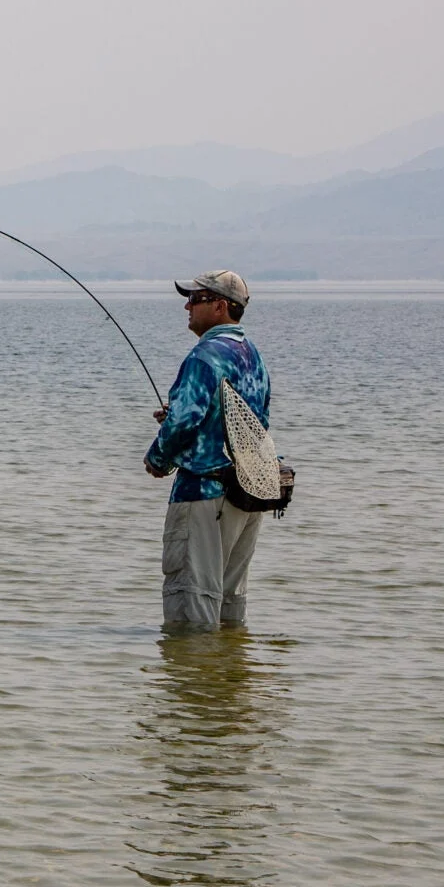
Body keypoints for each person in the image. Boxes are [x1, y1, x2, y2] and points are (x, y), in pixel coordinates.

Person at [145, 269, 269, 631]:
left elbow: (184, 423)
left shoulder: (204, 356)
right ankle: (228, 681)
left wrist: (157, 459)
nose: (187, 305)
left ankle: (194, 683)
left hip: (202, 495)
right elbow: (249, 420)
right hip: (246, 496)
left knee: (192, 607)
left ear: (219, 307)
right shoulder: (252, 355)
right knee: (229, 609)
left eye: (195, 299)